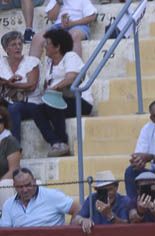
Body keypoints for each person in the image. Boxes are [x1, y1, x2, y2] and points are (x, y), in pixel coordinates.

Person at [29, 27, 92, 156]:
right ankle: (56, 142)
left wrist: (54, 88)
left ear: (57, 47)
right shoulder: (49, 62)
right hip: (61, 101)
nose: (44, 46)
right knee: (36, 110)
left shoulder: (70, 56)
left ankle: (63, 142)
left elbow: (71, 77)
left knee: (53, 105)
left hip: (80, 102)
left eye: (47, 43)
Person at [0, 167, 83, 228]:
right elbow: (5, 233)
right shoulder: (8, 204)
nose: (25, 190)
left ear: (34, 181)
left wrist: (70, 232)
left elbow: (78, 209)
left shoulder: (52, 196)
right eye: (20, 187)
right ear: (14, 186)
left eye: (28, 185)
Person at [0, 31, 41, 143]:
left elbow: (31, 85)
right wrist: (9, 83)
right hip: (8, 102)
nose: (18, 47)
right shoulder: (1, 63)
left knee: (14, 108)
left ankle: (14, 148)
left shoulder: (31, 62)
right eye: (13, 45)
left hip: (30, 103)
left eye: (20, 44)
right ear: (6, 49)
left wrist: (9, 84)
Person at [31, 0, 96, 58]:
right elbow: (51, 17)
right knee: (37, 38)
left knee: (72, 35)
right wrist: (59, 3)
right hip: (58, 26)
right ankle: (31, 70)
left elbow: (92, 16)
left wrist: (72, 23)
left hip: (78, 25)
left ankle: (74, 69)